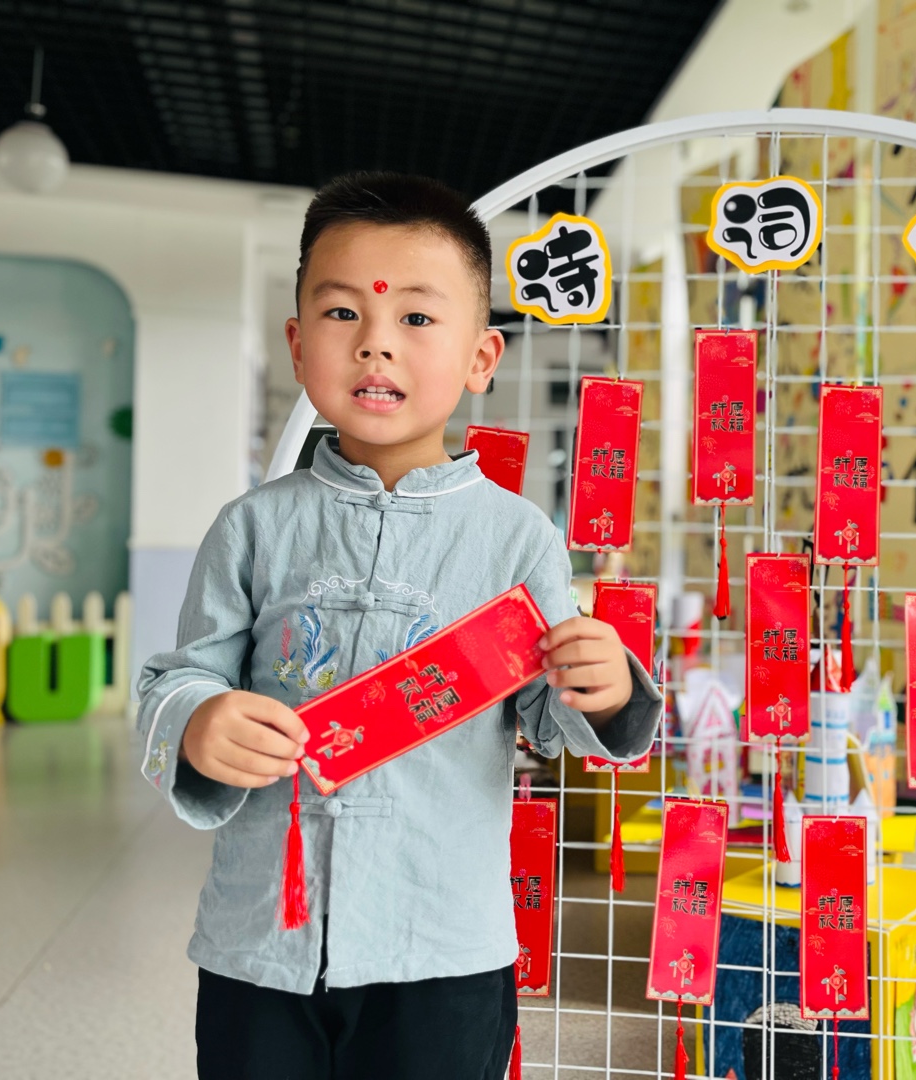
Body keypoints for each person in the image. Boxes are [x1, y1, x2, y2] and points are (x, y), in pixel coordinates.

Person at [136, 172, 661, 1080]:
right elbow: (180, 676)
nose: (375, 343)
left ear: (481, 358)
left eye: (416, 318)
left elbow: (550, 718)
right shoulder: (252, 527)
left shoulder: (517, 538)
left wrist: (606, 689)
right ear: (298, 346)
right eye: (342, 313)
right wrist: (197, 719)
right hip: (264, 941)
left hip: (441, 947)